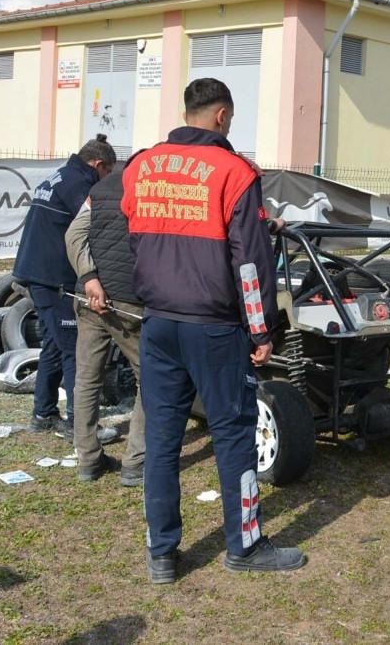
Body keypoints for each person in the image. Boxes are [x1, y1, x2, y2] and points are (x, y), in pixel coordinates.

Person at [123, 77, 304, 584]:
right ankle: (244, 546)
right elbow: (250, 263)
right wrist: (262, 330)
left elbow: (136, 237)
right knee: (232, 435)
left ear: (187, 112)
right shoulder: (235, 171)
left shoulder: (142, 166)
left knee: (162, 440)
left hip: (158, 322)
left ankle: (161, 554)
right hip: (214, 326)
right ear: (222, 115)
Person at [13, 135, 116, 437]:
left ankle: (43, 413)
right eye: (107, 173)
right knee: (74, 349)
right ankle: (78, 424)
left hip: (37, 273)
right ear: (97, 164)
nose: (106, 180)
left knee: (54, 346)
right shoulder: (78, 185)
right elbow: (91, 230)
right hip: (54, 279)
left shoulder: (59, 176)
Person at [65, 162, 147, 486]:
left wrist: (89, 278)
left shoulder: (100, 189)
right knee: (150, 379)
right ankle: (136, 463)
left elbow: (74, 234)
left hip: (88, 296)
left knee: (87, 379)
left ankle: (87, 459)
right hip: (129, 300)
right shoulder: (153, 190)